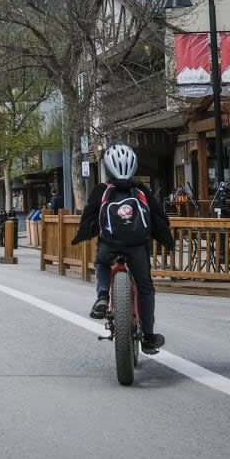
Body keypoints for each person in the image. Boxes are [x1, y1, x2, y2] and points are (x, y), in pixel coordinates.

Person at [72, 142, 174, 354]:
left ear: (108, 168)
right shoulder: (141, 191)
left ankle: (102, 295)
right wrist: (167, 242)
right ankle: (147, 337)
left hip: (109, 246)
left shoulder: (102, 191)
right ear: (134, 167)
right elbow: (158, 219)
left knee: (101, 262)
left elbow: (89, 218)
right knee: (145, 288)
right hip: (138, 248)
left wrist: (81, 236)